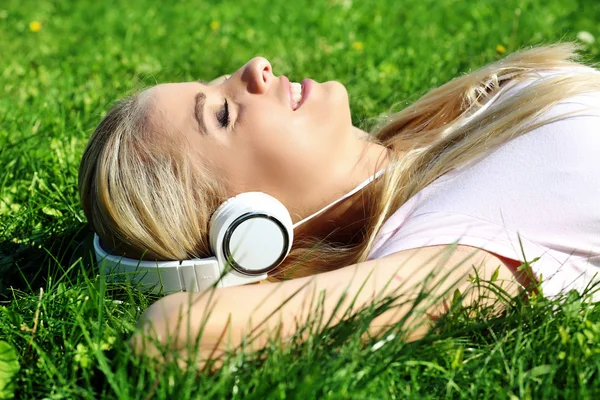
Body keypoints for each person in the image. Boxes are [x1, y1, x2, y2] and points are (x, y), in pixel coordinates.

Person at [78, 43, 600, 364]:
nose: (255, 67)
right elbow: (175, 334)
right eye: (221, 116)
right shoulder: (453, 244)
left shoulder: (440, 128)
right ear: (249, 232)